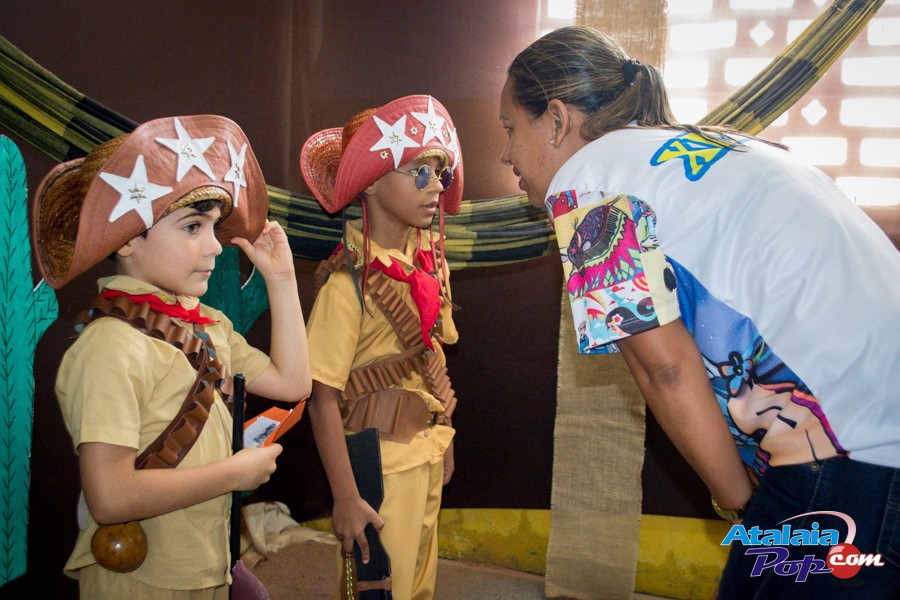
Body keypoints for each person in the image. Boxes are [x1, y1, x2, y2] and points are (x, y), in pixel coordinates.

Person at [501, 25, 900, 599]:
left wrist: (740, 505)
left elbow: (663, 368)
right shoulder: (714, 145)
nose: (505, 154)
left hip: (844, 447)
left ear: (557, 120)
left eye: (510, 128)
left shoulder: (588, 188)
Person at [31, 115, 312, 599]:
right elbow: (110, 496)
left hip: (206, 566)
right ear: (126, 238)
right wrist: (234, 474)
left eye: (214, 227)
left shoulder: (208, 325)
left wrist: (283, 281)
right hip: (144, 582)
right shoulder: (110, 346)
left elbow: (293, 383)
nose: (214, 246)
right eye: (192, 227)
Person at [299, 95, 462, 600]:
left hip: (425, 450)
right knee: (381, 589)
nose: (436, 186)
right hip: (378, 465)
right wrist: (346, 497)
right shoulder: (346, 286)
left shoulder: (428, 265)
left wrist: (444, 435)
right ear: (370, 181)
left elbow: (431, 357)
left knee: (419, 585)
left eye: (440, 173)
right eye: (420, 172)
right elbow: (321, 399)